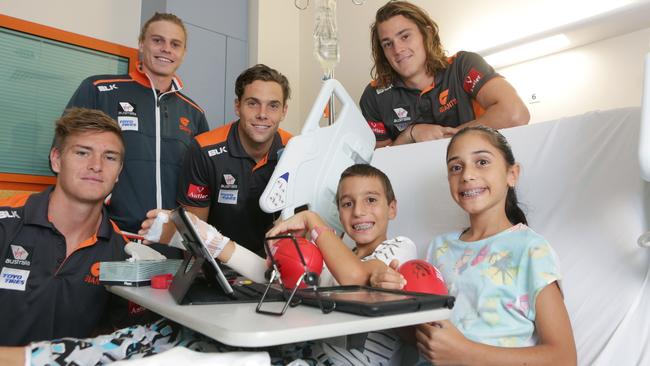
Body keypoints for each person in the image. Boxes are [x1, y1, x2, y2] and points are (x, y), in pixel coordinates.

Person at [12, 164, 416, 365]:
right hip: (295, 348)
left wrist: (312, 223)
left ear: (392, 207)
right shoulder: (334, 251)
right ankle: (36, 357)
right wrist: (209, 241)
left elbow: (351, 281)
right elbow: (271, 276)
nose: (358, 211)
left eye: (371, 200)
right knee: (157, 334)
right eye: (347, 203)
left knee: (186, 355)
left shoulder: (401, 246)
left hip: (317, 358)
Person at [370, 126, 577, 365]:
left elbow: (564, 357)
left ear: (512, 174)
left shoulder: (531, 250)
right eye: (456, 167)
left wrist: (464, 353)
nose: (467, 175)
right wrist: (394, 302)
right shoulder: (439, 249)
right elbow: (422, 338)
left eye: (482, 162)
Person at [65, 12, 209, 241]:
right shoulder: (99, 90)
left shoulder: (194, 113)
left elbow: (201, 185)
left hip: (171, 240)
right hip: (108, 237)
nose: (166, 49)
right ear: (142, 44)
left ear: (183, 53)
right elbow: (65, 159)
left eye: (175, 44)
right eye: (157, 40)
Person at [0, 108, 127, 363]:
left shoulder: (121, 253)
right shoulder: (6, 225)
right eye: (82, 153)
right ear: (56, 159)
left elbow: (112, 339)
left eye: (110, 157)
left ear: (119, 171)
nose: (96, 166)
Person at [360, 1, 530, 148]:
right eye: (388, 44)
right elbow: (380, 163)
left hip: (477, 172)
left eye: (405, 36)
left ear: (427, 33)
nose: (397, 50)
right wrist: (410, 134)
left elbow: (516, 114)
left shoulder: (463, 65)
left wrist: (447, 140)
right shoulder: (374, 95)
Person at [174, 64, 293, 256]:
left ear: (284, 111)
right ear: (237, 106)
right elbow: (194, 235)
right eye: (253, 103)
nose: (262, 114)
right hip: (216, 265)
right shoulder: (204, 150)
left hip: (275, 267)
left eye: (273, 105)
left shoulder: (294, 150)